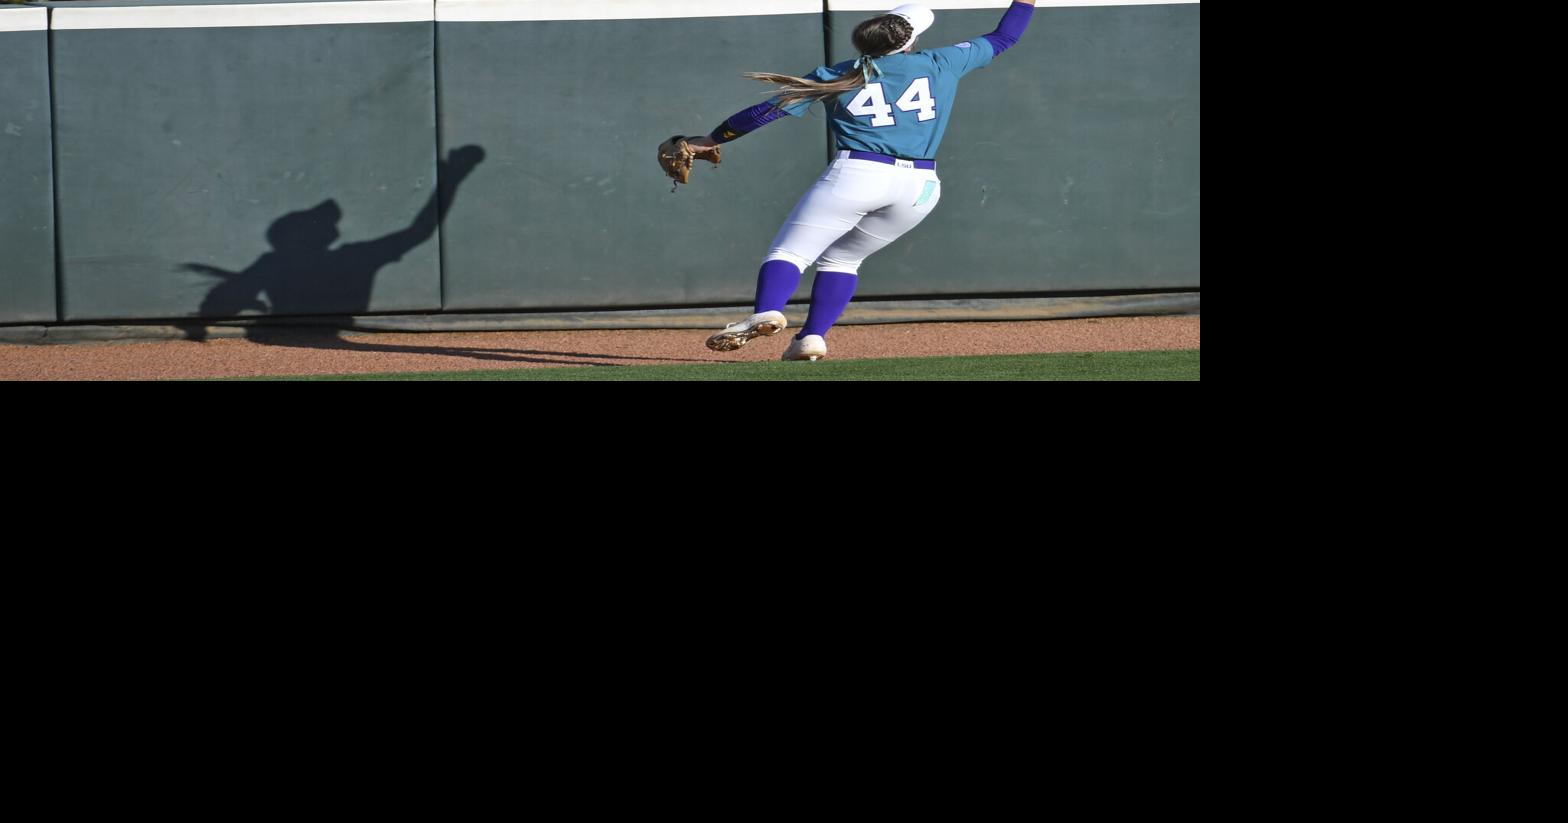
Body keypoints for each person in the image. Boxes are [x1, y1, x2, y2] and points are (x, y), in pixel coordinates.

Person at [689, 1, 1036, 361]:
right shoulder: (941, 62)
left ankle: (768, 311)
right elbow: (1005, 36)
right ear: (908, 41)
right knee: (842, 260)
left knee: (790, 253)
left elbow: (765, 112)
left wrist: (712, 139)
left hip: (859, 174)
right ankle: (810, 338)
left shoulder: (836, 74)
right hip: (920, 187)